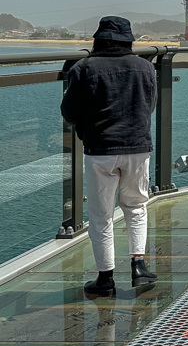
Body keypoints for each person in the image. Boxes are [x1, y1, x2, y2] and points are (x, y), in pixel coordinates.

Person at [60, 16, 158, 295]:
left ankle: (105, 278)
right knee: (137, 207)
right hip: (137, 148)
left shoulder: (84, 68)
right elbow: (150, 106)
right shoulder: (146, 68)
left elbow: (68, 112)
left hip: (100, 150)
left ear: (97, 40)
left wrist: (85, 127)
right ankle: (138, 266)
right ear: (129, 41)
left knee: (101, 215)